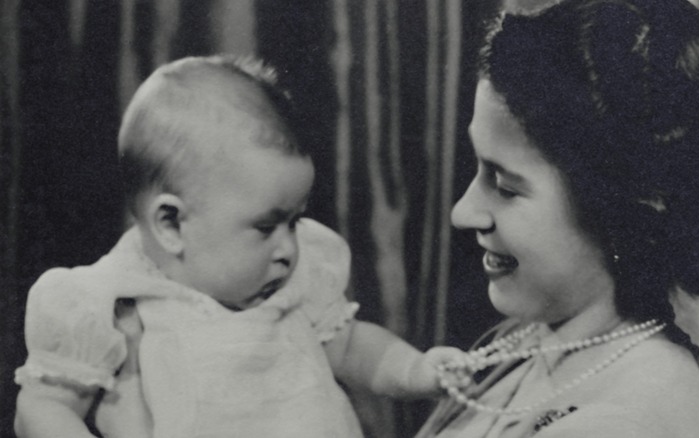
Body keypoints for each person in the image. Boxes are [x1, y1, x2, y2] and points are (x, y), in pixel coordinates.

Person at [14, 55, 464, 438]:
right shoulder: (110, 303)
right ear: (171, 224)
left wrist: (416, 370)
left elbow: (349, 348)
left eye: (295, 220)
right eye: (266, 227)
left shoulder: (297, 275)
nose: (289, 247)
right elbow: (42, 409)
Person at [416, 0, 699, 436]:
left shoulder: (617, 422)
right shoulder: (545, 334)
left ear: (618, 211)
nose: (463, 213)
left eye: (507, 187)